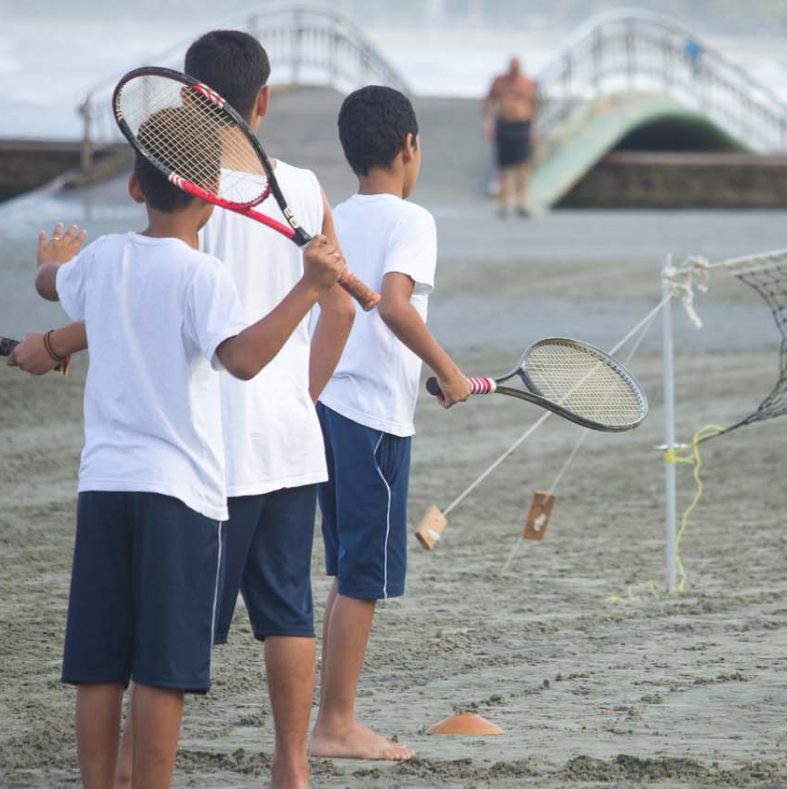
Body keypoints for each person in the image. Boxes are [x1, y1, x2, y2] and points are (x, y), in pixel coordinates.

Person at [8, 30, 356, 788]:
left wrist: (60, 338)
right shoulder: (299, 186)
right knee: (287, 606)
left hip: (210, 449)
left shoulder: (190, 178)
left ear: (185, 96)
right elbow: (339, 313)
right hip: (286, 436)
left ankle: (131, 770)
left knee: (162, 637)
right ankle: (291, 765)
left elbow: (142, 306)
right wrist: (302, 397)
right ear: (262, 100)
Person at [308, 85, 471, 760]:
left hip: (327, 407)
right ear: (409, 147)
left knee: (349, 568)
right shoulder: (413, 218)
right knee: (363, 575)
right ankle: (335, 723)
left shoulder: (334, 217)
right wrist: (450, 368)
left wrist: (425, 372)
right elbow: (395, 307)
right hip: (370, 417)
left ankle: (328, 717)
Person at [482, 57, 538, 218]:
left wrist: (533, 129)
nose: (515, 70)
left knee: (523, 165)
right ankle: (504, 202)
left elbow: (533, 105)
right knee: (504, 166)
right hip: (504, 124)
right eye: (513, 67)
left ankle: (521, 201)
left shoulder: (527, 82)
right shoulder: (500, 82)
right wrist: (487, 123)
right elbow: (489, 101)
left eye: (518, 67)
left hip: (522, 125)